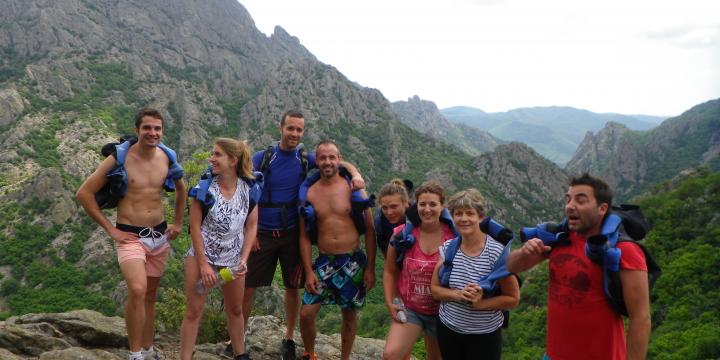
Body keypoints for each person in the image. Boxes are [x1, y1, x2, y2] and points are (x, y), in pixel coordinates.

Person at [242, 111, 365, 360]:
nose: (294, 134)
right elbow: (245, 192)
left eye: (299, 130)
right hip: (262, 231)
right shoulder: (262, 157)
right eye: (291, 128)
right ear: (281, 128)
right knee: (249, 286)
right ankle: (239, 338)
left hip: (291, 233)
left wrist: (355, 173)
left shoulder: (305, 158)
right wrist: (249, 231)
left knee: (292, 286)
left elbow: (334, 162)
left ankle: (289, 337)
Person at [76, 108, 186, 360]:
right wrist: (111, 229)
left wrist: (178, 223)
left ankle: (148, 350)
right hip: (130, 236)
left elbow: (181, 189)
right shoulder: (120, 158)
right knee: (137, 289)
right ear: (137, 130)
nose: (152, 133)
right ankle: (134, 354)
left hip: (159, 236)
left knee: (149, 296)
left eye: (157, 128)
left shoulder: (167, 157)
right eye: (147, 128)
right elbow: (84, 193)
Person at [507, 173, 650, 360]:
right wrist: (524, 251)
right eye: (568, 199)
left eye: (580, 200)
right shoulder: (560, 238)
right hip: (553, 355)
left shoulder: (623, 250)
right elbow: (512, 267)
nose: (570, 206)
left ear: (602, 208)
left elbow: (641, 318)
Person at [179, 138, 258, 360]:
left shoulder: (250, 190)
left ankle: (240, 354)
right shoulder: (204, 189)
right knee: (194, 311)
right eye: (212, 154)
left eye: (217, 154)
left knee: (235, 310)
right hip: (202, 256)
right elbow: (194, 226)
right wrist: (204, 266)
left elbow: (251, 226)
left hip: (233, 260)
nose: (211, 159)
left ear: (232, 160)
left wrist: (243, 259)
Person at [298, 140, 376, 360]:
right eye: (322, 158)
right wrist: (308, 270)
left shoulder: (353, 189)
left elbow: (370, 231)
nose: (327, 162)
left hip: (352, 259)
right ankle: (310, 353)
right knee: (306, 314)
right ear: (317, 161)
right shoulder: (310, 194)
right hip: (324, 261)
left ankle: (344, 357)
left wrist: (370, 267)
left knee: (349, 315)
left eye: (332, 157)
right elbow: (304, 236)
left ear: (339, 158)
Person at [430, 189, 520, 360]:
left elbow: (513, 298)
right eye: (458, 214)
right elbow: (435, 290)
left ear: (481, 217)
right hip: (448, 330)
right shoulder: (448, 248)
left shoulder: (497, 253)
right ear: (453, 217)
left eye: (470, 213)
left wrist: (480, 304)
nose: (464, 219)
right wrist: (458, 294)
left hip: (484, 336)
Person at [382, 181, 457, 360]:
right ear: (416, 205)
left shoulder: (454, 237)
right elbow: (390, 271)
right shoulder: (403, 234)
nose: (427, 209)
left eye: (433, 204)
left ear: (442, 206)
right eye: (422, 204)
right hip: (411, 309)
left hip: (442, 312)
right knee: (391, 355)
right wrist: (390, 301)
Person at [374, 179, 411, 258]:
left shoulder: (418, 219)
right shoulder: (380, 224)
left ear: (406, 203)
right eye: (384, 208)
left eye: (394, 206)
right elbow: (387, 255)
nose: (389, 212)